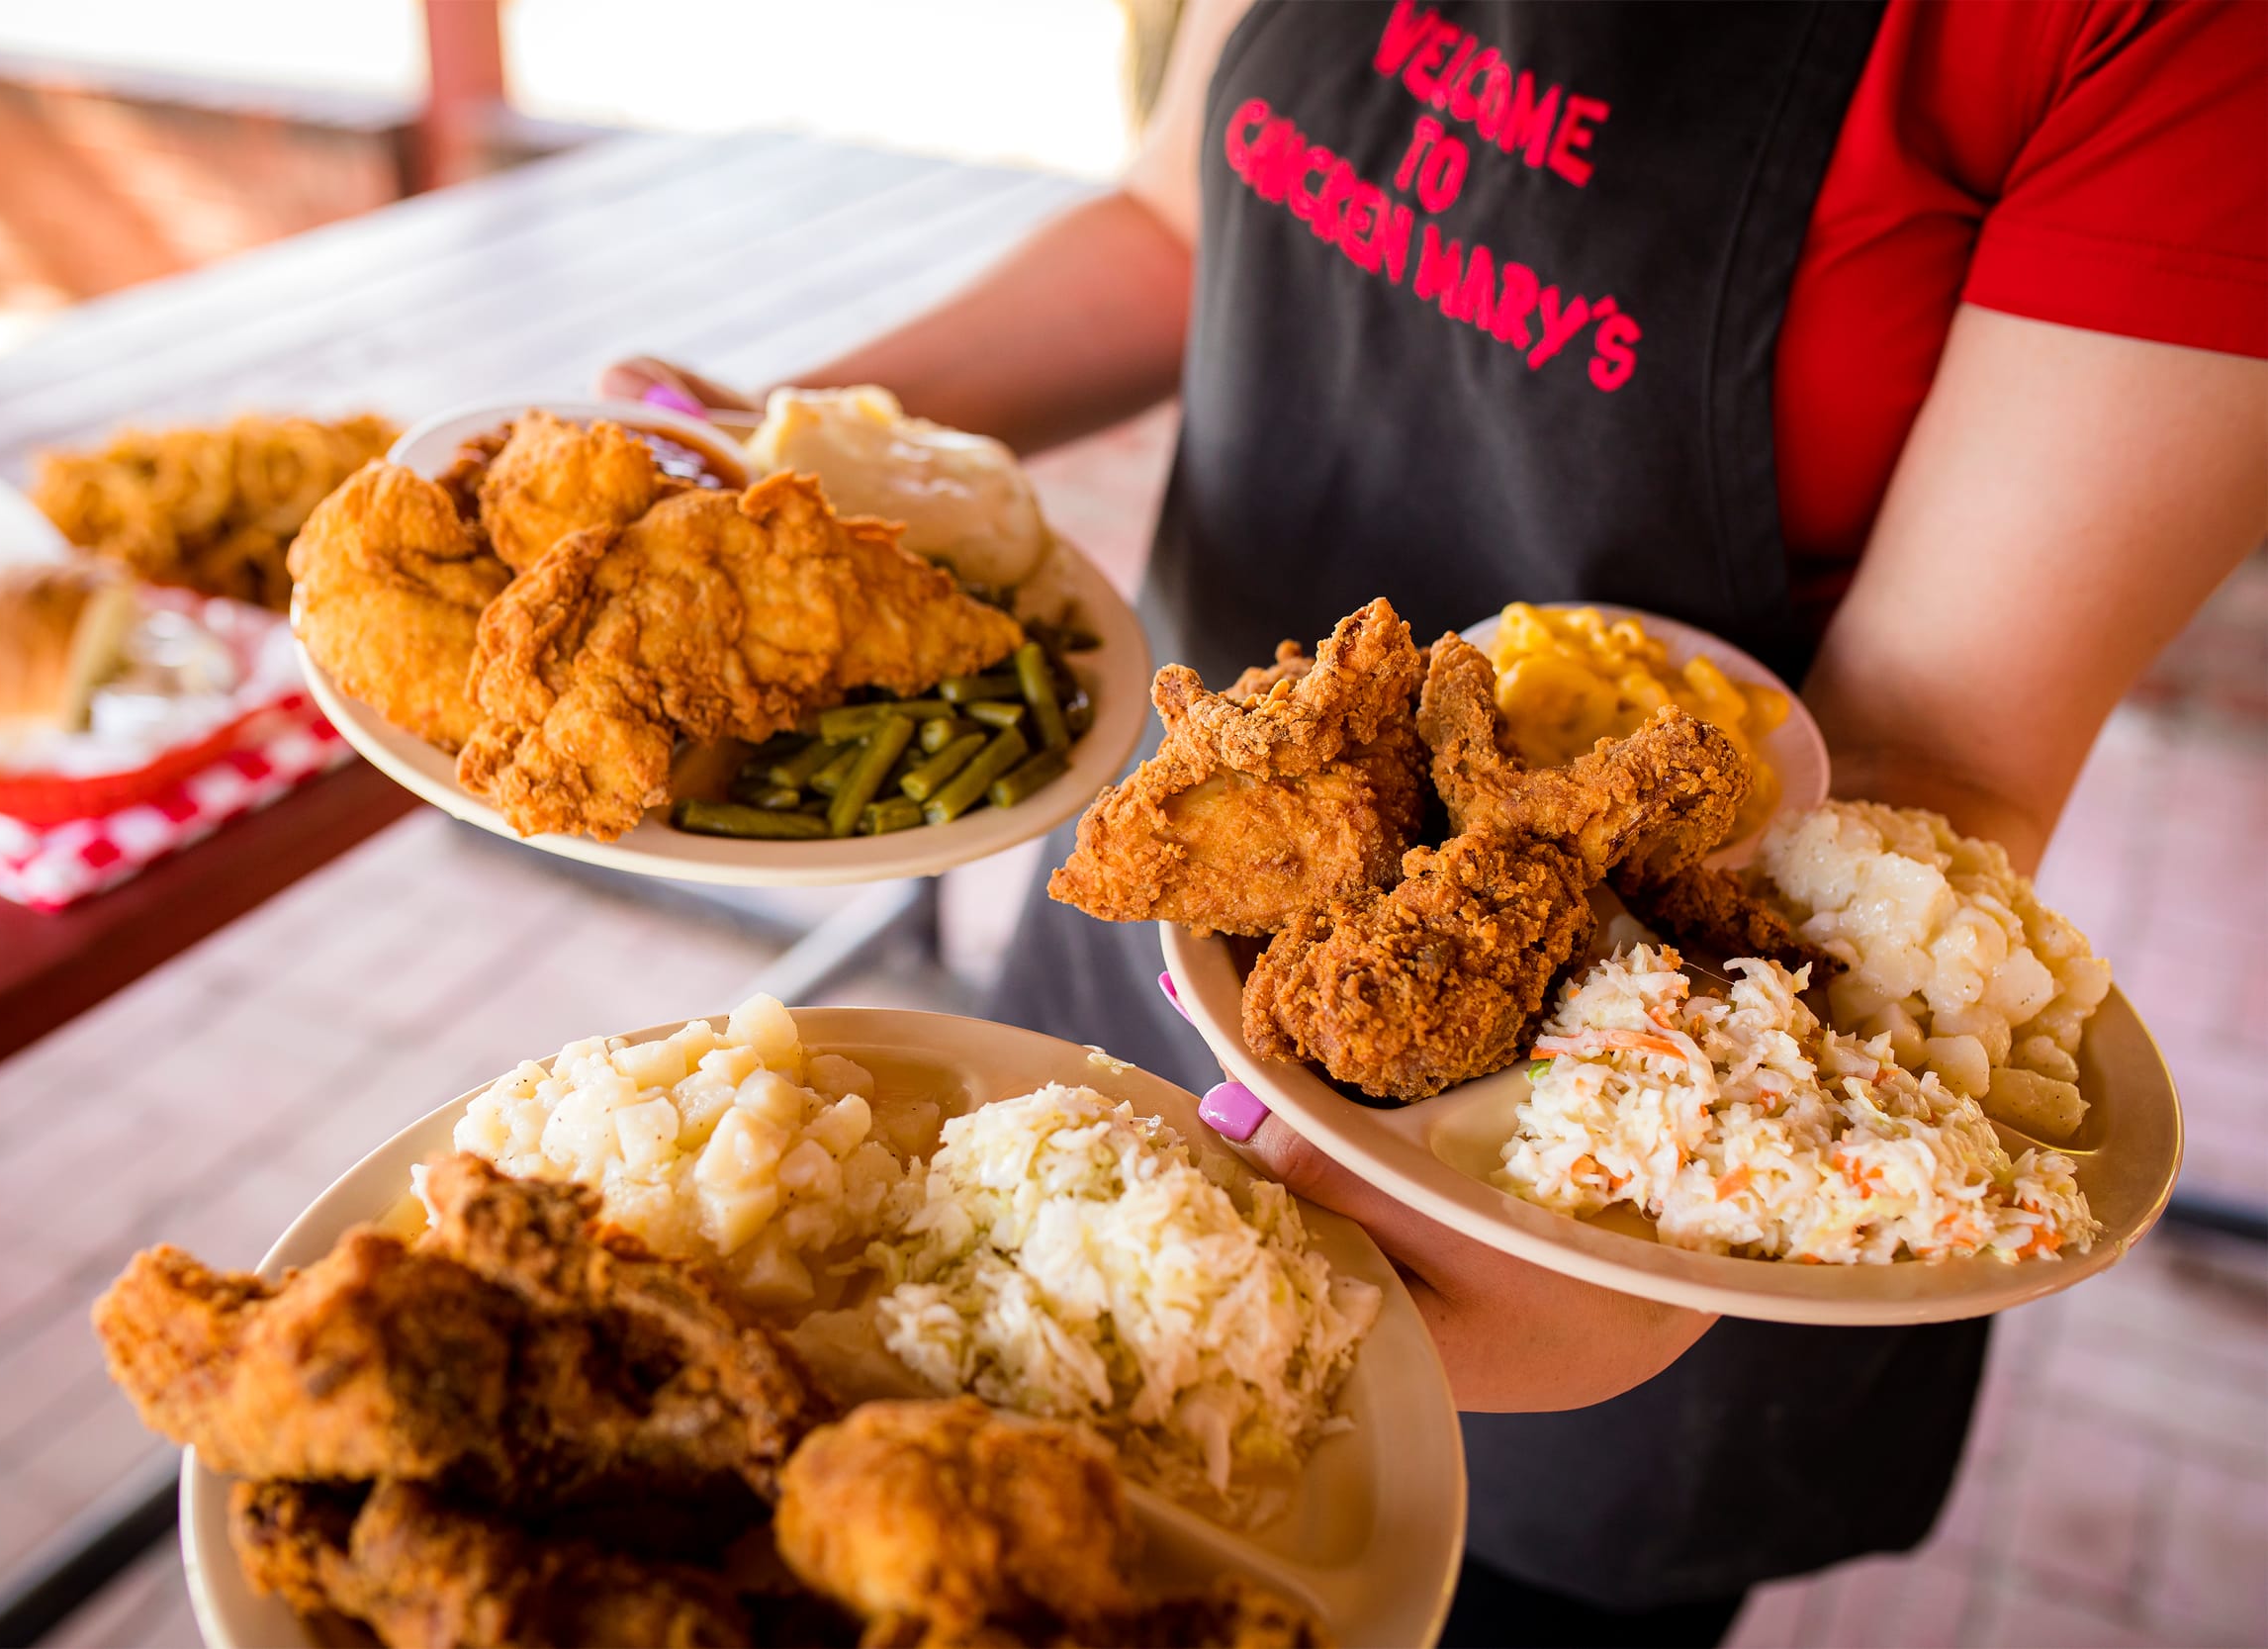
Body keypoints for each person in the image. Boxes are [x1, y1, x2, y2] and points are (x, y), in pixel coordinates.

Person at [606, 2, 2267, 1641]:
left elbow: (1944, 744)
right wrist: (768, 455)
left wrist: (1610, 1195)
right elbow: (1177, 224)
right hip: (1159, 932)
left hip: (1610, 1157)